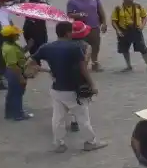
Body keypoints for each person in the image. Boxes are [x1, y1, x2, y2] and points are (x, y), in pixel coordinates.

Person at [31, 20, 108, 153]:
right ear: (68, 33)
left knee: (58, 118)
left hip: (57, 88)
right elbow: (83, 68)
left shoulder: (46, 47)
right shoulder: (74, 48)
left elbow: (30, 63)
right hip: (74, 88)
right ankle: (90, 142)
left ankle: (59, 144)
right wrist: (92, 84)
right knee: (82, 117)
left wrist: (46, 70)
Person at [111, 0, 147, 74]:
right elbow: (114, 21)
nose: (130, 0)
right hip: (124, 31)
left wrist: (142, 26)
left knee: (143, 49)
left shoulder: (138, 6)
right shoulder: (118, 8)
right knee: (124, 49)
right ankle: (128, 66)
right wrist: (118, 31)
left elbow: (144, 17)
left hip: (136, 30)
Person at [66, 0, 108, 72]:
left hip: (94, 26)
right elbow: (69, 15)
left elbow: (101, 11)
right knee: (82, 47)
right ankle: (82, 65)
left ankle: (94, 63)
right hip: (81, 28)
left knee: (96, 45)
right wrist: (79, 15)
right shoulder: (72, 1)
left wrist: (104, 23)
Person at [1, 25, 33, 121]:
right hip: (15, 72)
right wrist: (21, 77)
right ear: (11, 36)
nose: (18, 36)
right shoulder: (10, 49)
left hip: (15, 70)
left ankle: (10, 113)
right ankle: (18, 114)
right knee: (17, 93)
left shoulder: (11, 45)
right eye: (16, 35)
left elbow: (21, 52)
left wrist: (29, 46)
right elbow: (13, 65)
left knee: (12, 93)